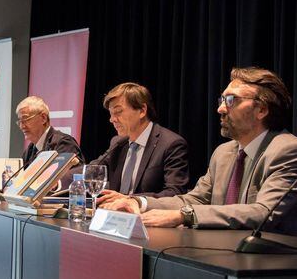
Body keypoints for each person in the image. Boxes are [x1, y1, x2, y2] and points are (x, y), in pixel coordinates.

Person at [100, 67, 297, 236]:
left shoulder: (287, 150)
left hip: (269, 269)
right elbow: (195, 199)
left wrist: (185, 215)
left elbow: (264, 212)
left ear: (261, 110)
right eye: (222, 99)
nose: (220, 108)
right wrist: (138, 203)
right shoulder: (224, 153)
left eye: (231, 100)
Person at [92, 82, 189, 203]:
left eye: (118, 112)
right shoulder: (118, 143)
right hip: (114, 216)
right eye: (111, 114)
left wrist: (131, 200)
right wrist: (61, 177)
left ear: (142, 110)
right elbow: (92, 169)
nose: (112, 119)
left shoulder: (171, 144)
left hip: (147, 217)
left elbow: (175, 192)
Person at [16, 96, 85, 167]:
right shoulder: (31, 150)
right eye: (20, 121)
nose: (22, 126)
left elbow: (69, 176)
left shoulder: (63, 143)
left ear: (43, 118)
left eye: (26, 119)